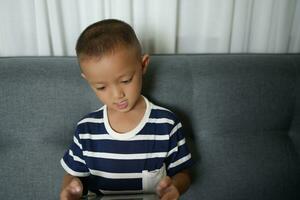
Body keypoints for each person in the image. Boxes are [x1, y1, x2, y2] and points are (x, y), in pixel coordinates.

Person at [60, 19, 194, 200]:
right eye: (101, 87)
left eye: (125, 80)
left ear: (143, 65)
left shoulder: (166, 124)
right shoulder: (86, 130)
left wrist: (175, 187)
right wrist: (70, 188)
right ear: (88, 80)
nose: (117, 95)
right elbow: (72, 175)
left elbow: (183, 173)